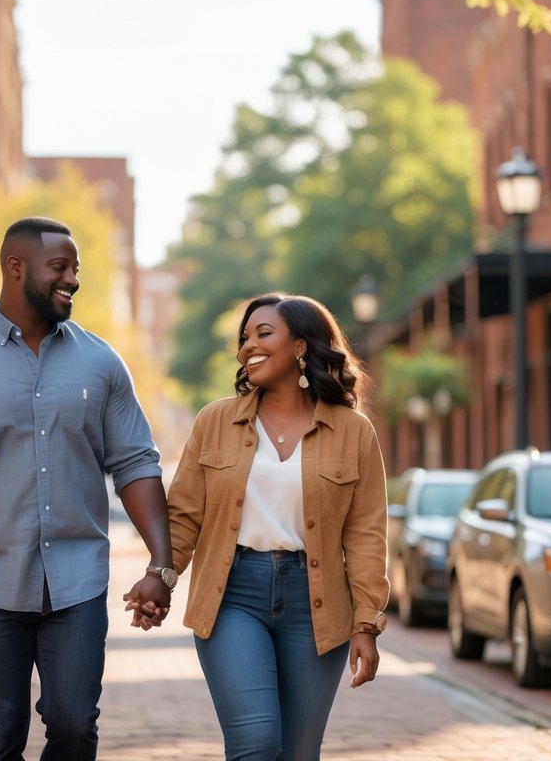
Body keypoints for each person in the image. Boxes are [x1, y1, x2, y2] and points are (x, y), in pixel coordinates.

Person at [0, 216, 174, 761]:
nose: (72, 279)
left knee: (74, 726)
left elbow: (136, 463)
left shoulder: (102, 363)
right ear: (15, 268)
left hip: (78, 581)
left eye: (76, 269)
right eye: (60, 268)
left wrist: (160, 565)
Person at [158, 293, 389, 761]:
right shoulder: (215, 421)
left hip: (317, 602)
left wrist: (367, 622)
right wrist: (161, 575)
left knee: (299, 753)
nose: (248, 346)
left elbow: (366, 534)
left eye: (264, 334)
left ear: (301, 346)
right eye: (244, 337)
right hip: (232, 595)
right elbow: (183, 515)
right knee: (256, 742)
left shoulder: (352, 431)